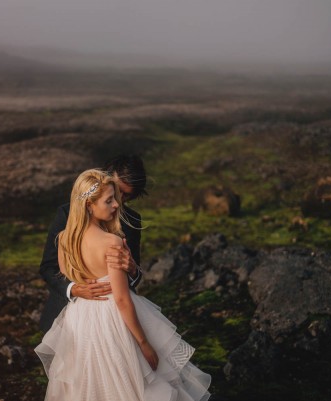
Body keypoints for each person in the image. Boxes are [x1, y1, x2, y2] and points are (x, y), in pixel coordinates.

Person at [35, 169, 211, 401]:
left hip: (80, 320)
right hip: (113, 318)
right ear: (89, 205)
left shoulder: (65, 240)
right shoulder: (112, 242)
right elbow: (121, 298)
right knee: (134, 383)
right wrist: (144, 343)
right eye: (109, 200)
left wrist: (130, 269)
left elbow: (72, 274)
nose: (117, 205)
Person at [38, 154, 147, 333]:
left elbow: (134, 277)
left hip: (115, 322)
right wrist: (74, 289)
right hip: (67, 318)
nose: (119, 200)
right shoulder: (66, 213)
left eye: (127, 196)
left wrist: (134, 270)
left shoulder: (133, 220)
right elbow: (48, 267)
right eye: (117, 190)